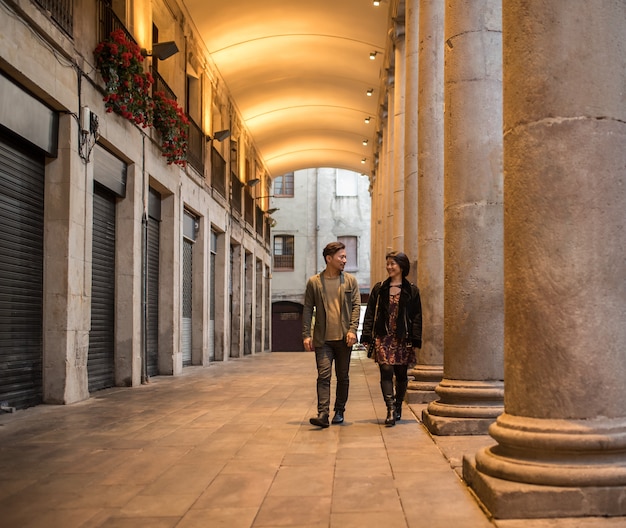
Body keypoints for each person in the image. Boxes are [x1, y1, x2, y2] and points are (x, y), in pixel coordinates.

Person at [302, 241, 361, 428]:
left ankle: (339, 411)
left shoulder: (350, 281)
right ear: (329, 259)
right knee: (323, 376)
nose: (345, 260)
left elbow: (356, 307)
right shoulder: (314, 282)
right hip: (323, 339)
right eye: (341, 257)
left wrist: (352, 330)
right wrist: (306, 334)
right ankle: (323, 413)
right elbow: (306, 309)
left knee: (343, 376)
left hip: (344, 338)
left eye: (345, 256)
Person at [361, 251, 422, 426]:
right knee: (386, 371)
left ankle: (398, 405)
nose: (389, 267)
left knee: (401, 374)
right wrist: (366, 335)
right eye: (387, 263)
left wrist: (416, 339)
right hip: (383, 336)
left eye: (392, 264)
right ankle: (390, 409)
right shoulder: (380, 288)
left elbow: (417, 316)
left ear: (402, 266)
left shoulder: (412, 290)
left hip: (403, 338)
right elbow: (370, 312)